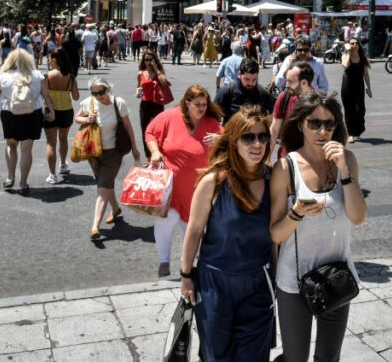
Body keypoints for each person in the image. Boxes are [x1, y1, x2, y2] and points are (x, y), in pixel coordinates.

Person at [270, 92, 367, 362]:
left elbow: (358, 217)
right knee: (295, 358)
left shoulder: (347, 159)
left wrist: (345, 172)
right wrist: (297, 213)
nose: (322, 131)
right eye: (314, 123)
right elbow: (276, 233)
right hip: (295, 280)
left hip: (337, 276)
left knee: (328, 357)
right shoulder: (285, 168)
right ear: (300, 124)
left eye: (329, 124)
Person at [180, 106, 275, 361]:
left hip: (258, 282)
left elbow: (278, 236)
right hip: (215, 283)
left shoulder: (273, 179)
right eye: (248, 137)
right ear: (233, 140)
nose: (257, 144)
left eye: (262, 137)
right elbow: (194, 231)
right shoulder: (214, 181)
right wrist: (186, 275)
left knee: (255, 355)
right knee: (216, 355)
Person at [144, 85, 223, 277]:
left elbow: (233, 141)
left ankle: (186, 265)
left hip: (197, 190)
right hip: (170, 188)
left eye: (205, 104)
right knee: (165, 220)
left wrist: (221, 139)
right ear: (187, 103)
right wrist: (154, 151)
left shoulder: (212, 124)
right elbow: (150, 133)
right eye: (197, 104)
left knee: (192, 228)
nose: (202, 108)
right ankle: (164, 260)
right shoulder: (170, 116)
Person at [74, 78, 141, 242]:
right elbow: (77, 117)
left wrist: (134, 148)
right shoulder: (88, 103)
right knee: (105, 183)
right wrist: (87, 119)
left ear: (107, 89)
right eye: (94, 93)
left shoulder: (119, 103)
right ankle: (116, 209)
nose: (98, 96)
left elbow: (128, 126)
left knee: (102, 188)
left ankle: (95, 226)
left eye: (101, 93)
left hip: (114, 153)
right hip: (94, 151)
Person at [0, 48, 54, 195]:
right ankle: (23, 182)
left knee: (11, 145)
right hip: (32, 112)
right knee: (26, 149)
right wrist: (51, 110)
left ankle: (10, 176)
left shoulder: (3, 76)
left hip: (9, 112)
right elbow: (46, 95)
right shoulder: (37, 75)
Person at [43, 49, 79, 183]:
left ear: (55, 60)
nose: (48, 60)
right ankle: (63, 164)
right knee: (63, 138)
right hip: (66, 111)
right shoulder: (70, 77)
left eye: (50, 58)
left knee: (50, 143)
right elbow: (76, 97)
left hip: (50, 110)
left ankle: (52, 175)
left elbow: (43, 94)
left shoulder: (47, 76)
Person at [270, 61, 316, 153]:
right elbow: (275, 128)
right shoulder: (283, 97)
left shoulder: (319, 103)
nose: (286, 85)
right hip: (286, 157)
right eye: (286, 80)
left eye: (290, 81)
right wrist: (268, 156)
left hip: (310, 161)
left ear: (304, 83)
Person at [214, 57, 275, 124]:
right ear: (239, 74)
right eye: (247, 79)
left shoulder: (264, 94)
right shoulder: (226, 92)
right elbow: (213, 118)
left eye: (254, 79)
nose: (251, 83)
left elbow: (274, 118)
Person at [135, 50, 173, 152]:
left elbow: (164, 83)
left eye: (150, 59)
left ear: (154, 60)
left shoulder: (159, 71)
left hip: (157, 104)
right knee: (145, 130)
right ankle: (148, 155)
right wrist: (137, 92)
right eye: (146, 59)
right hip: (145, 104)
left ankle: (159, 150)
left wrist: (156, 68)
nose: (148, 62)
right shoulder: (140, 73)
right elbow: (138, 87)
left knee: (159, 129)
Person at [340, 37, 372, 144]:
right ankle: (350, 134)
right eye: (352, 43)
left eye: (356, 43)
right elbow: (345, 65)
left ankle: (356, 130)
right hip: (347, 86)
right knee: (349, 110)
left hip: (359, 86)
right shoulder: (345, 55)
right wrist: (349, 53)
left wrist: (369, 88)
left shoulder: (362, 57)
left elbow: (366, 74)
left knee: (360, 110)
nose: (354, 45)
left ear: (358, 45)